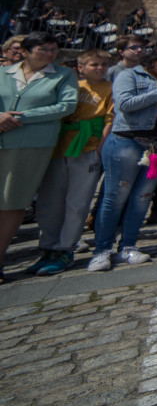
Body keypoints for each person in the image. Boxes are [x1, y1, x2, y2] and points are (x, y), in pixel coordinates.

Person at [90, 45, 157, 271]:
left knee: (142, 197)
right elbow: (125, 104)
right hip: (129, 141)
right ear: (153, 59)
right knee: (115, 196)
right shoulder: (129, 75)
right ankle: (102, 249)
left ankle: (128, 246)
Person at [0, 33, 79, 282]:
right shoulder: (4, 73)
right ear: (25, 51)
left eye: (54, 50)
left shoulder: (63, 75)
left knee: (13, 201)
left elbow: (66, 106)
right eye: (43, 49)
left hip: (31, 146)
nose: (49, 54)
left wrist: (21, 117)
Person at [27, 48, 112, 276]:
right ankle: (48, 248)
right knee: (50, 201)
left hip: (87, 148)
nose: (100, 68)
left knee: (77, 202)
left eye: (104, 64)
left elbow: (108, 121)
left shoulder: (109, 89)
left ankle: (66, 248)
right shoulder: (72, 85)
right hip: (60, 147)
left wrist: (99, 152)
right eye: (94, 64)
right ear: (81, 67)